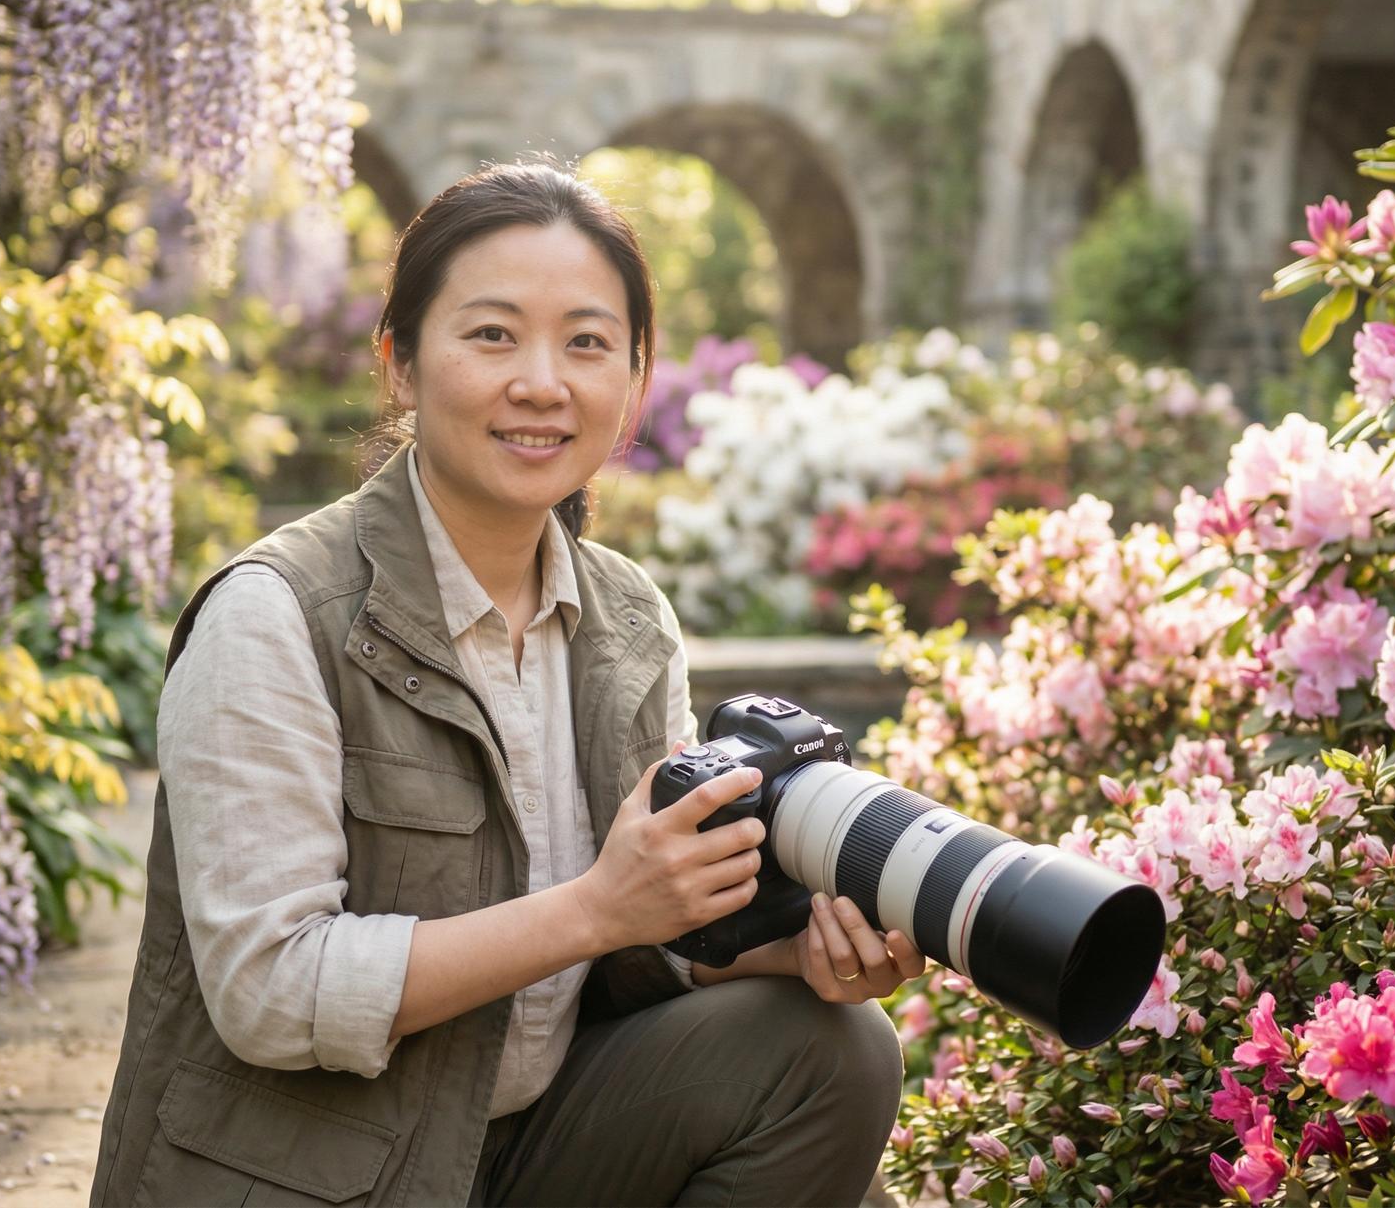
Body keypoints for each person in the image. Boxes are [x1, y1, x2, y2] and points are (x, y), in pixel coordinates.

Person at [90, 160, 921, 1208]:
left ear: (635, 377)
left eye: (587, 342)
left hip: (521, 1145)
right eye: (492, 334)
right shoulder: (275, 612)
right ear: (399, 363)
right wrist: (595, 908)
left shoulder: (628, 620)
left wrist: (785, 952)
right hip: (306, 1172)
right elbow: (270, 990)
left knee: (833, 1050)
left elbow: (643, 941)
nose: (542, 382)